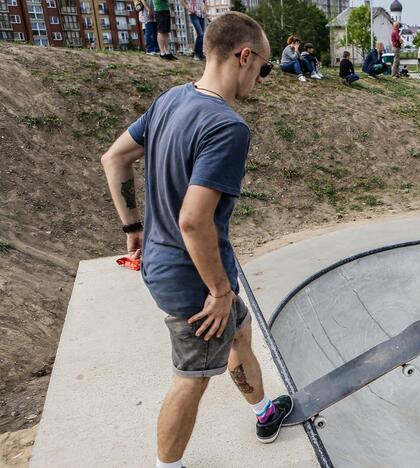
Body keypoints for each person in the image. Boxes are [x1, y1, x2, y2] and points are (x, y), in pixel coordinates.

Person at [99, 13, 292, 468]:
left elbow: (115, 159)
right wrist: (220, 292)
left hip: (167, 262)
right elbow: (193, 221)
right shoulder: (227, 127)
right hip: (195, 279)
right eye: (263, 68)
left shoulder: (171, 101)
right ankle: (169, 465)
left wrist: (132, 228)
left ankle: (263, 410)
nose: (261, 79)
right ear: (245, 56)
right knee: (192, 376)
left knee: (239, 330)